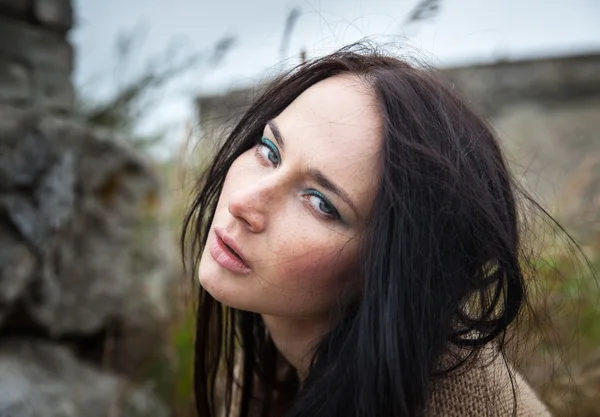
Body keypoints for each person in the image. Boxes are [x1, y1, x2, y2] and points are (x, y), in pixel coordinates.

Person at [182, 44, 553, 416]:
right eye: (269, 151)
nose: (243, 203)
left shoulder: (447, 404)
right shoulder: (276, 345)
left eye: (321, 203)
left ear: (390, 268)